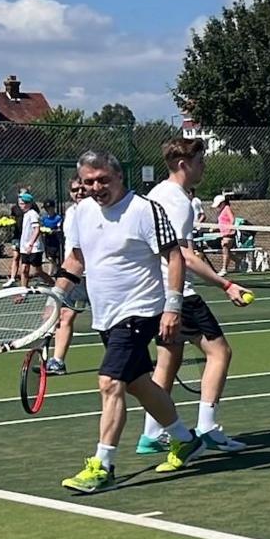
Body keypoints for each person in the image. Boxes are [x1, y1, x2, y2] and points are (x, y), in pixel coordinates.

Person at [53, 151, 203, 494]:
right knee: (137, 383)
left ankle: (102, 465)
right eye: (89, 181)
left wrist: (172, 307)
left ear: (119, 177)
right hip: (105, 314)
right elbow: (76, 261)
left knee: (110, 382)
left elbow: (174, 257)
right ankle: (184, 439)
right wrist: (55, 296)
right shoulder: (79, 213)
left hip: (140, 311)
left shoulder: (144, 210)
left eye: (103, 179)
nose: (96, 187)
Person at [137, 137, 255, 457]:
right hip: (178, 293)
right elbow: (184, 256)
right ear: (182, 164)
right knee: (220, 353)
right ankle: (208, 427)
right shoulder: (177, 201)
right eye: (200, 161)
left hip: (157, 292)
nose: (204, 166)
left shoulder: (157, 194)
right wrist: (225, 284)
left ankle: (152, 433)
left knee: (168, 358)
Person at [41, 176, 87, 375]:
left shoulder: (98, 213)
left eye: (82, 189)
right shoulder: (70, 213)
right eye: (75, 189)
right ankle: (57, 361)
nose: (79, 193)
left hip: (98, 276)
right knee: (63, 315)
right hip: (73, 274)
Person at [14, 192, 47, 291]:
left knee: (38, 272)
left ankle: (56, 287)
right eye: (20, 203)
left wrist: (31, 244)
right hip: (25, 247)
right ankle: (23, 291)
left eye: (23, 203)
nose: (21, 206)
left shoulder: (33, 214)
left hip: (34, 248)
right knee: (24, 269)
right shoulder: (26, 214)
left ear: (29, 204)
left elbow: (37, 230)